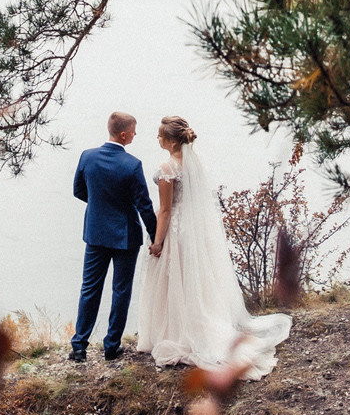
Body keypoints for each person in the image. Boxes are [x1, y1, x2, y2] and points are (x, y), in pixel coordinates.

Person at [125, 115, 292, 379]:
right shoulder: (193, 163)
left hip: (176, 230)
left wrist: (157, 242)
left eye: (159, 136)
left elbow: (166, 211)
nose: (156, 139)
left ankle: (175, 333)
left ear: (169, 141)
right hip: (192, 230)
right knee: (192, 280)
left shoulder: (167, 168)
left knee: (173, 280)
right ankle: (190, 325)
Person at [68, 111, 155, 363]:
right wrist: (156, 235)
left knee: (89, 288)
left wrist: (99, 204)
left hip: (95, 232)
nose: (137, 134)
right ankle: (111, 346)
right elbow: (144, 205)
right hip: (125, 236)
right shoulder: (132, 165)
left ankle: (79, 346)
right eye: (135, 131)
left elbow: (78, 190)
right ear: (124, 134)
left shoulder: (87, 156)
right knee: (121, 290)